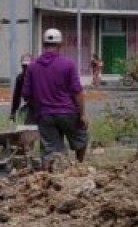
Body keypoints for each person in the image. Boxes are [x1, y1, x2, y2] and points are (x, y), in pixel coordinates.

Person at [20, 28, 88, 163]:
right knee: (81, 139)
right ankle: (79, 165)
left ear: (43, 44)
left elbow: (26, 95)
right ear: (60, 44)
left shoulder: (32, 67)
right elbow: (77, 92)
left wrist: (39, 105)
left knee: (51, 151)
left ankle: (53, 175)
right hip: (68, 113)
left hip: (45, 115)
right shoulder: (68, 64)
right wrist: (82, 114)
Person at [8, 53, 33, 123]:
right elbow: (16, 96)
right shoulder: (20, 78)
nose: (26, 68)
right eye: (24, 66)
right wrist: (13, 112)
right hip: (27, 105)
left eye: (28, 66)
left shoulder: (37, 76)